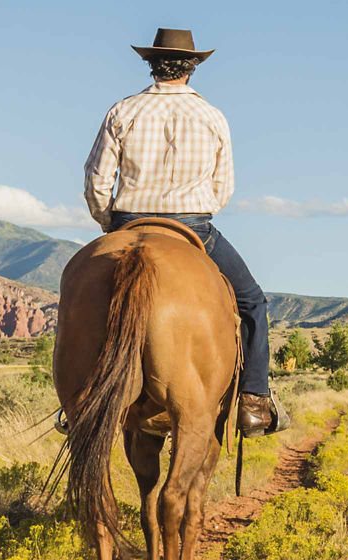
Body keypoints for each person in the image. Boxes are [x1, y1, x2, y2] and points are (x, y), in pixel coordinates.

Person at [84, 28, 287, 437]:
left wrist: (111, 225)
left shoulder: (122, 111)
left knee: (81, 297)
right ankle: (253, 400)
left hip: (128, 223)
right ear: (191, 68)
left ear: (152, 64)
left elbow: (97, 180)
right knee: (252, 303)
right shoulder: (212, 116)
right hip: (192, 226)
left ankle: (77, 399)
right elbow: (222, 190)